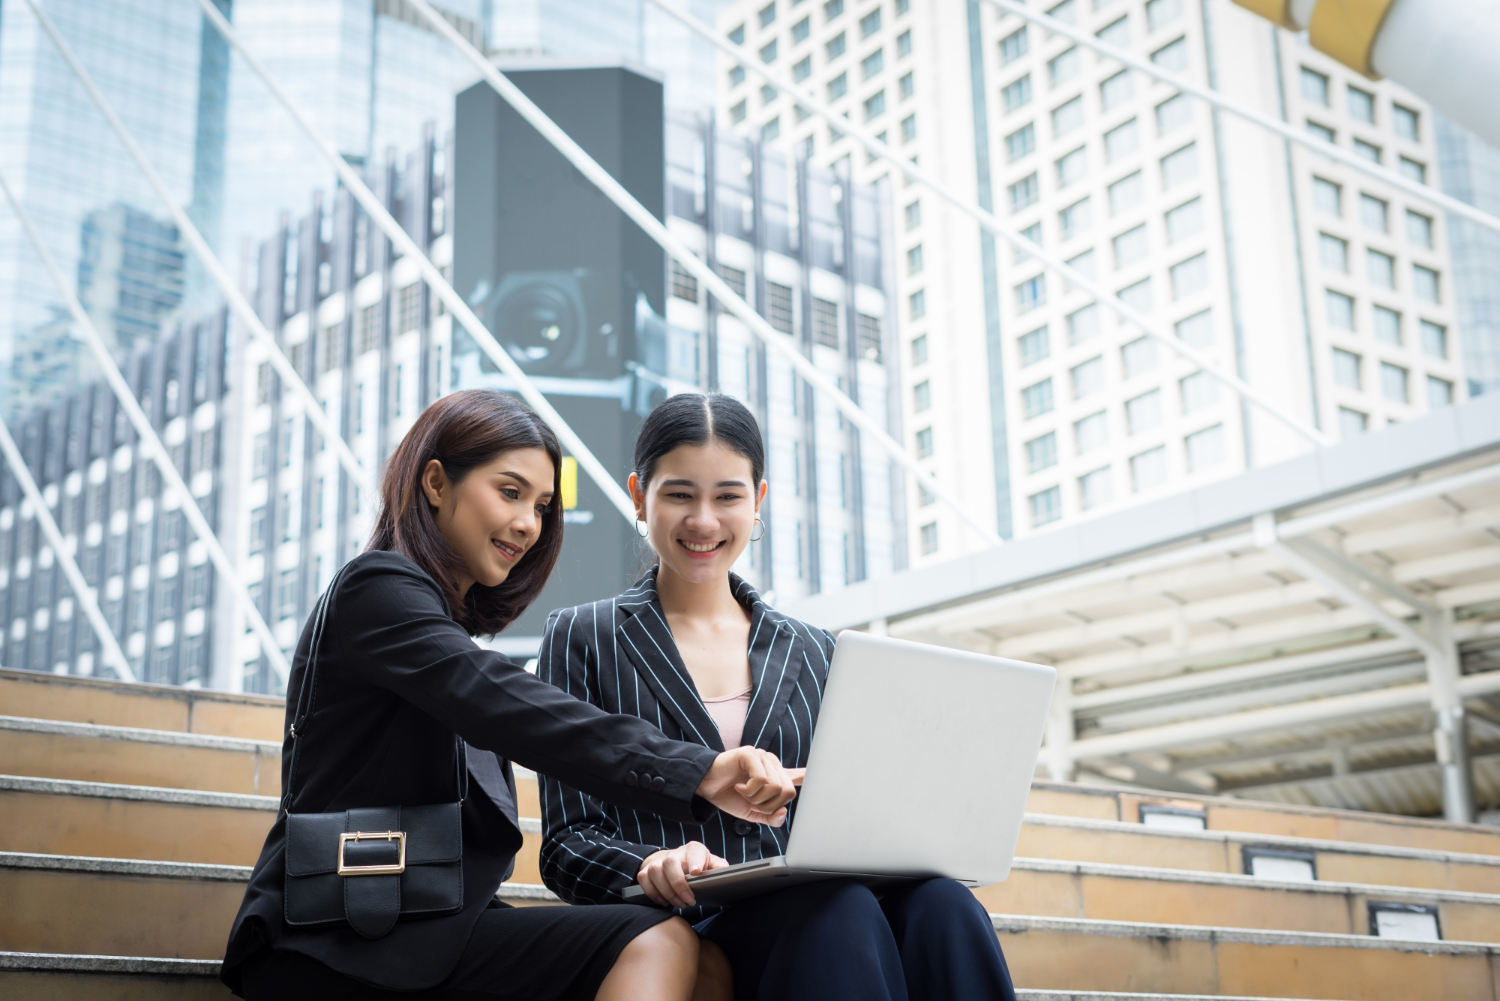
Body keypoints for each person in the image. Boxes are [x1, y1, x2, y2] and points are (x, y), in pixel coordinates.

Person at [220, 389, 802, 1001]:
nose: (529, 523)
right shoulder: (377, 590)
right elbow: (511, 708)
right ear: (437, 483)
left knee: (707, 967)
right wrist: (701, 770)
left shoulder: (444, 630)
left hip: (424, 924)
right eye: (510, 492)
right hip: (332, 935)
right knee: (657, 941)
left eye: (544, 505)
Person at [536, 392, 1018, 1001]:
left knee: (946, 905)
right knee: (836, 910)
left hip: (826, 901)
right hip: (691, 916)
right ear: (639, 495)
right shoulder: (586, 638)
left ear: (758, 501)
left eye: (728, 496)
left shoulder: (818, 651)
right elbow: (565, 845)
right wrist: (644, 865)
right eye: (680, 495)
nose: (704, 521)